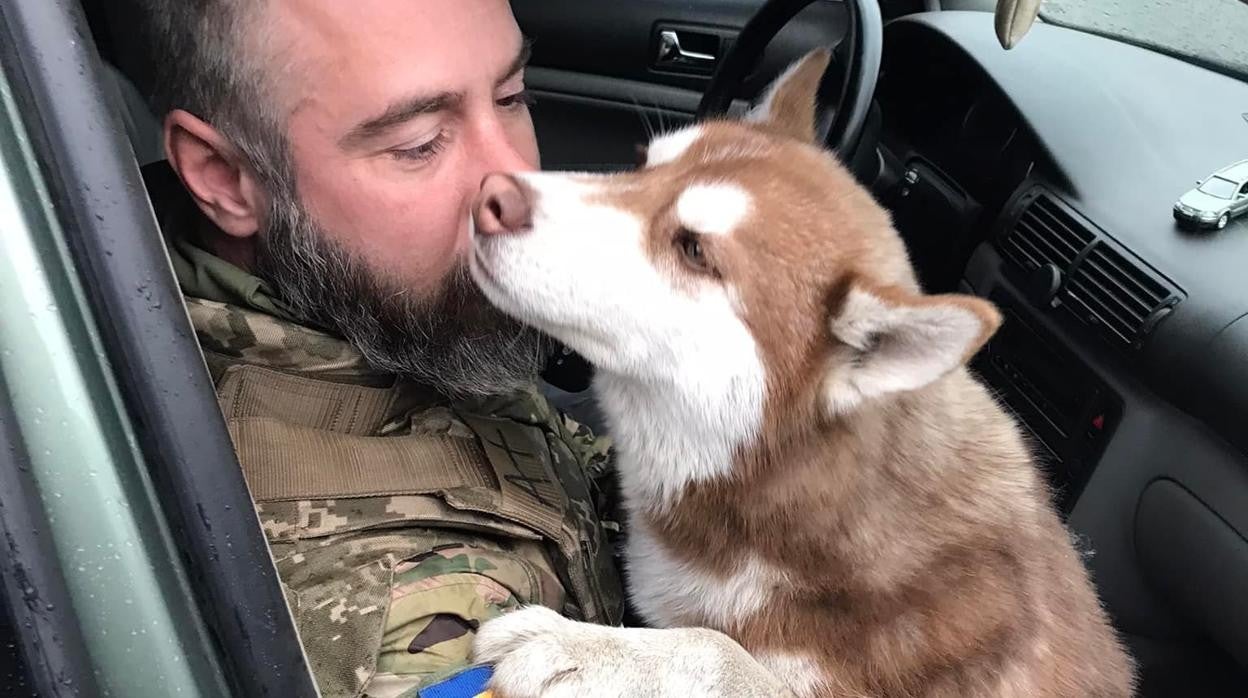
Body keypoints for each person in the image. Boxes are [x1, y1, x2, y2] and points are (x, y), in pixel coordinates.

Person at [132, 1, 628, 695]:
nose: (522, 184)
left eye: (513, 96)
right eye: (420, 142)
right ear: (222, 176)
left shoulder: (377, 303)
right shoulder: (398, 617)